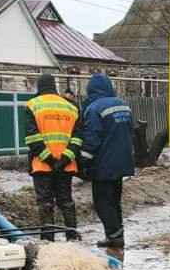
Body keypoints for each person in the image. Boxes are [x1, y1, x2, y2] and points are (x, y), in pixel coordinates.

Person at [79, 73, 135, 251]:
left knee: (103, 202)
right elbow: (131, 133)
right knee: (114, 200)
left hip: (104, 164)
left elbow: (92, 139)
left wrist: (83, 161)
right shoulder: (123, 105)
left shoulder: (94, 108)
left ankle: (114, 237)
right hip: (123, 162)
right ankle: (116, 234)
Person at [24, 72, 81, 241]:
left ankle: (48, 242)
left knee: (45, 203)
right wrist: (64, 160)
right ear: (55, 86)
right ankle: (72, 238)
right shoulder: (71, 107)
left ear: (39, 86)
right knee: (66, 201)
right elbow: (77, 138)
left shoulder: (33, 105)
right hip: (66, 165)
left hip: (42, 165)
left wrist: (49, 160)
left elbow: (32, 138)